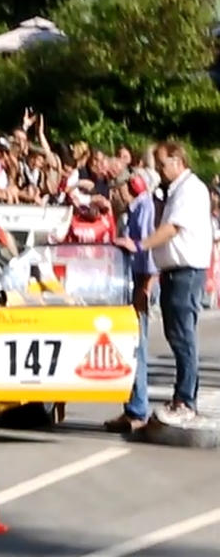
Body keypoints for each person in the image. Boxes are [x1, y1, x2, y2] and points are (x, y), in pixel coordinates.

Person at [115, 141, 212, 419]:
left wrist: (141, 245)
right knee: (176, 334)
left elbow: (171, 228)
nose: (159, 169)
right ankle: (182, 396)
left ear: (178, 161)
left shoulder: (190, 189)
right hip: (174, 270)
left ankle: (185, 398)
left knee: (183, 336)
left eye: (162, 164)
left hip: (186, 271)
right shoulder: (174, 191)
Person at [105, 174, 157, 432]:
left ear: (130, 187)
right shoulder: (133, 211)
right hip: (132, 280)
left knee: (138, 347)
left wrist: (145, 289)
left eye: (116, 190)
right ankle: (132, 408)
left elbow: (148, 252)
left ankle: (138, 410)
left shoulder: (145, 209)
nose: (113, 195)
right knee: (131, 344)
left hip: (140, 281)